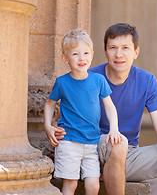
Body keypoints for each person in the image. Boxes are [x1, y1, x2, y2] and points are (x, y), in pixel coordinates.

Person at [56, 23, 157, 195]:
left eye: (125, 48)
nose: (119, 54)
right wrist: (54, 127)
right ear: (105, 51)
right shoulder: (89, 78)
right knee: (119, 142)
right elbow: (66, 112)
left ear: (136, 52)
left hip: (129, 155)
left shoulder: (147, 81)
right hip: (91, 151)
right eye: (113, 48)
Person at [44, 29, 122, 195]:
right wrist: (47, 126)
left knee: (93, 186)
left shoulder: (98, 80)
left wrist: (114, 128)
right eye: (75, 54)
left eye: (86, 53)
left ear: (92, 55)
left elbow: (109, 106)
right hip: (69, 142)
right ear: (65, 58)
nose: (82, 58)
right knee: (70, 186)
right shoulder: (62, 82)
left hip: (91, 142)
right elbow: (50, 104)